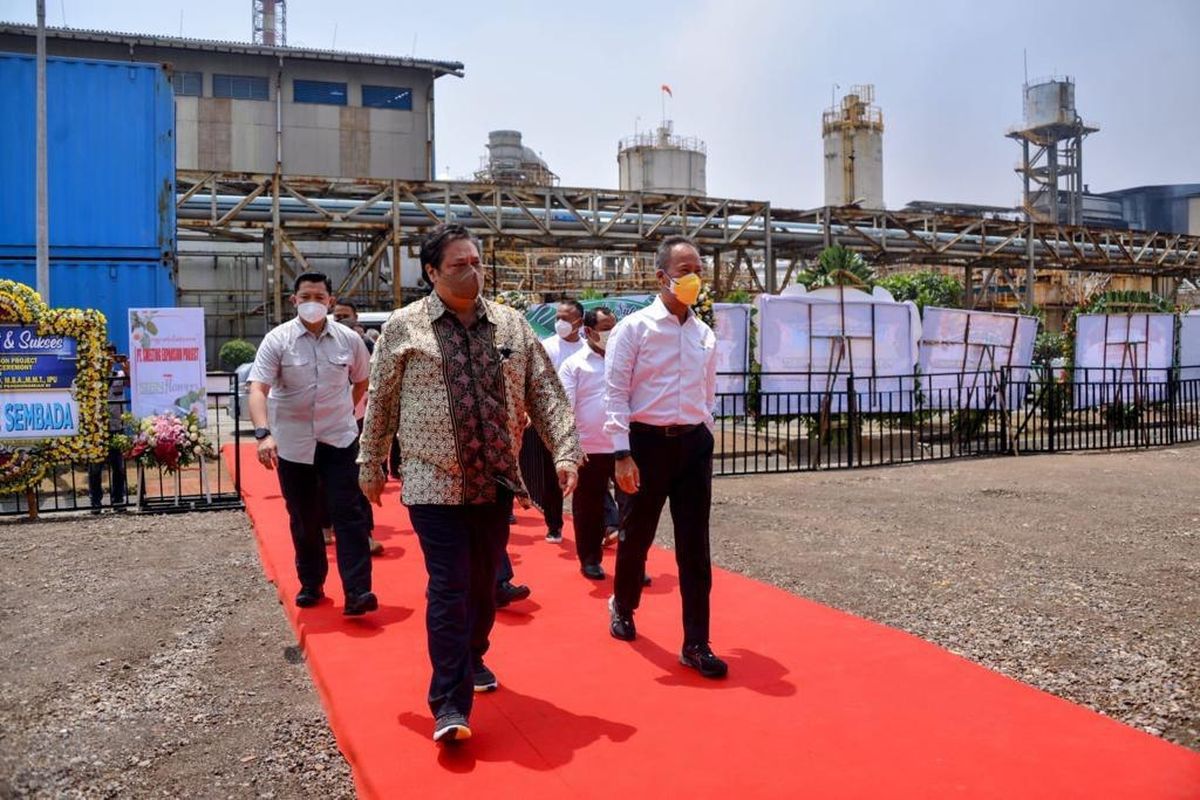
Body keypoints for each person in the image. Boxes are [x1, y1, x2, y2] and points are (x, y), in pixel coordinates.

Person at [357, 224, 582, 744]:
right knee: (450, 584)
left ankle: (472, 655)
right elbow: (383, 403)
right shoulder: (403, 328)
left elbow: (544, 391)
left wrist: (566, 450)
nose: (472, 271)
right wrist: (369, 462)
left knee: (483, 587)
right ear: (432, 272)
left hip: (496, 480)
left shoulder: (510, 325)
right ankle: (449, 703)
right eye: (458, 264)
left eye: (477, 261)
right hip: (432, 479)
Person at [603, 235, 728, 679]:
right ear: (661, 277)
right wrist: (621, 452)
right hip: (645, 445)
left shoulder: (704, 334)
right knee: (637, 535)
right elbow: (615, 392)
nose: (693, 278)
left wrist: (705, 434)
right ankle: (623, 602)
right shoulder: (634, 329)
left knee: (696, 547)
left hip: (692, 445)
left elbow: (707, 393)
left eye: (698, 269)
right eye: (683, 270)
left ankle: (696, 642)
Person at [247, 272, 377, 616]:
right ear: (294, 301)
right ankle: (311, 583)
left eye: (320, 297)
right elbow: (258, 388)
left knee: (348, 514)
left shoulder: (349, 340)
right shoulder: (278, 340)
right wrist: (264, 434)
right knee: (303, 517)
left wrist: (346, 410)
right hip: (294, 445)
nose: (313, 303)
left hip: (339, 439)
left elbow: (362, 381)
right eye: (306, 297)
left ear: (330, 301)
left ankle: (358, 591)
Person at [558, 306, 618, 579]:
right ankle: (590, 559)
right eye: (606, 328)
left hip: (623, 446)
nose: (611, 333)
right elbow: (565, 407)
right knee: (588, 508)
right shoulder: (574, 365)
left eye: (614, 327)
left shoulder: (625, 359)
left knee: (634, 508)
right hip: (589, 448)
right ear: (589, 331)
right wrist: (568, 449)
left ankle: (633, 562)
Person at [524, 298, 586, 543]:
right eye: (557, 317)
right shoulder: (547, 347)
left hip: (581, 423)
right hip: (549, 421)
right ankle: (554, 524)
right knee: (552, 475)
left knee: (588, 475)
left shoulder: (586, 349)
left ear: (579, 322)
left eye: (566, 318)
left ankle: (603, 525)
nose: (560, 322)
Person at [88, 343, 128, 513]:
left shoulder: (119, 374)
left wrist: (126, 367)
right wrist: (106, 369)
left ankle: (118, 500)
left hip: (116, 427)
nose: (110, 359)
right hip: (98, 430)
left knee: (118, 467)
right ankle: (96, 502)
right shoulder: (94, 376)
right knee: (95, 468)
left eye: (112, 355)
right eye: (106, 356)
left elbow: (130, 382)